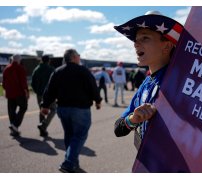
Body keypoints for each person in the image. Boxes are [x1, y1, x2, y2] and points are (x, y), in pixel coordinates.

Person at [113, 10, 183, 144]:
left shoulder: (182, 82)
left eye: (145, 38)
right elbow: (118, 128)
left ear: (167, 46)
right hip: (146, 162)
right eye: (136, 40)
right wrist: (133, 119)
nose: (135, 44)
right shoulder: (146, 83)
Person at [41, 49, 102, 173]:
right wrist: (98, 100)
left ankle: (73, 162)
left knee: (70, 136)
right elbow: (93, 87)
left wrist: (45, 105)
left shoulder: (58, 71)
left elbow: (50, 90)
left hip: (63, 109)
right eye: (78, 55)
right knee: (79, 136)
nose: (80, 57)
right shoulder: (83, 71)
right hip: (80, 109)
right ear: (74, 57)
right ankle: (68, 164)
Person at [2, 54, 29, 137]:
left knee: (11, 111)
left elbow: (3, 83)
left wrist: (7, 90)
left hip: (10, 94)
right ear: (19, 60)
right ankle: (15, 125)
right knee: (23, 107)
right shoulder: (21, 68)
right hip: (19, 93)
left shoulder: (6, 69)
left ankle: (14, 130)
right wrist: (26, 92)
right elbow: (23, 83)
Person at [31, 55, 56, 137]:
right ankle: (44, 125)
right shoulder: (52, 69)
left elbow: (32, 83)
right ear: (48, 61)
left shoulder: (36, 69)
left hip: (40, 94)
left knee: (42, 110)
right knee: (53, 109)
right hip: (50, 94)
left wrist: (37, 91)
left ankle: (42, 131)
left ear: (41, 60)